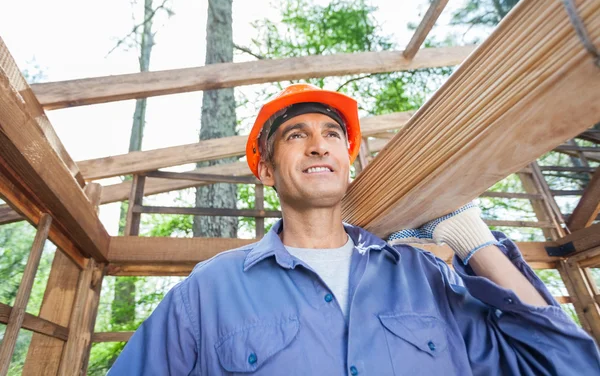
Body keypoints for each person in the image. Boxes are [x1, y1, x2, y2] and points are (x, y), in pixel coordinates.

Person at [109, 84, 600, 375]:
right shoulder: (207, 292)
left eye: (332, 135)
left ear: (347, 160)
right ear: (266, 171)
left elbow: (565, 364)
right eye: (296, 136)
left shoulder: (424, 279)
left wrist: (472, 238)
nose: (319, 146)